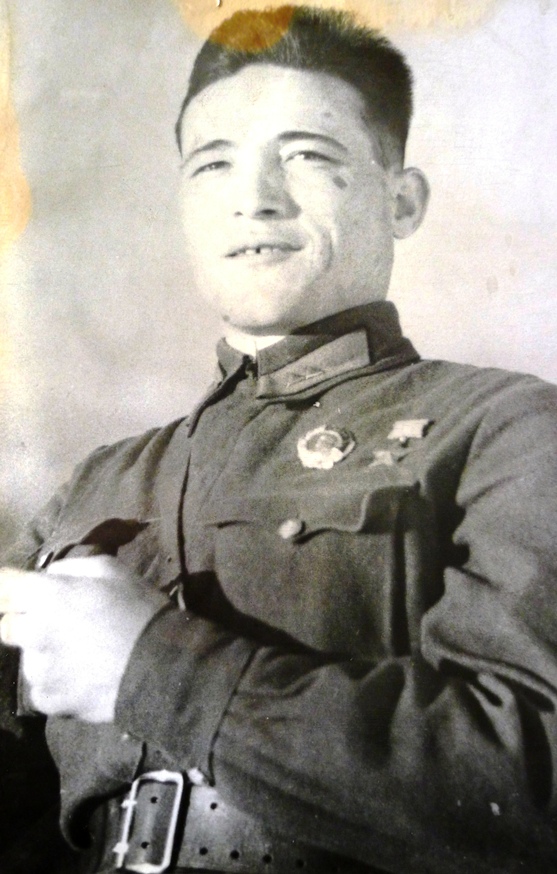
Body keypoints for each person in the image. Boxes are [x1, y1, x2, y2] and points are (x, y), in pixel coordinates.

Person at [1, 5, 556, 873]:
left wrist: (152, 669)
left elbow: (531, 774)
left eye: (305, 154)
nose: (252, 197)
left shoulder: (505, 427)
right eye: (213, 163)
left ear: (401, 200)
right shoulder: (96, 482)